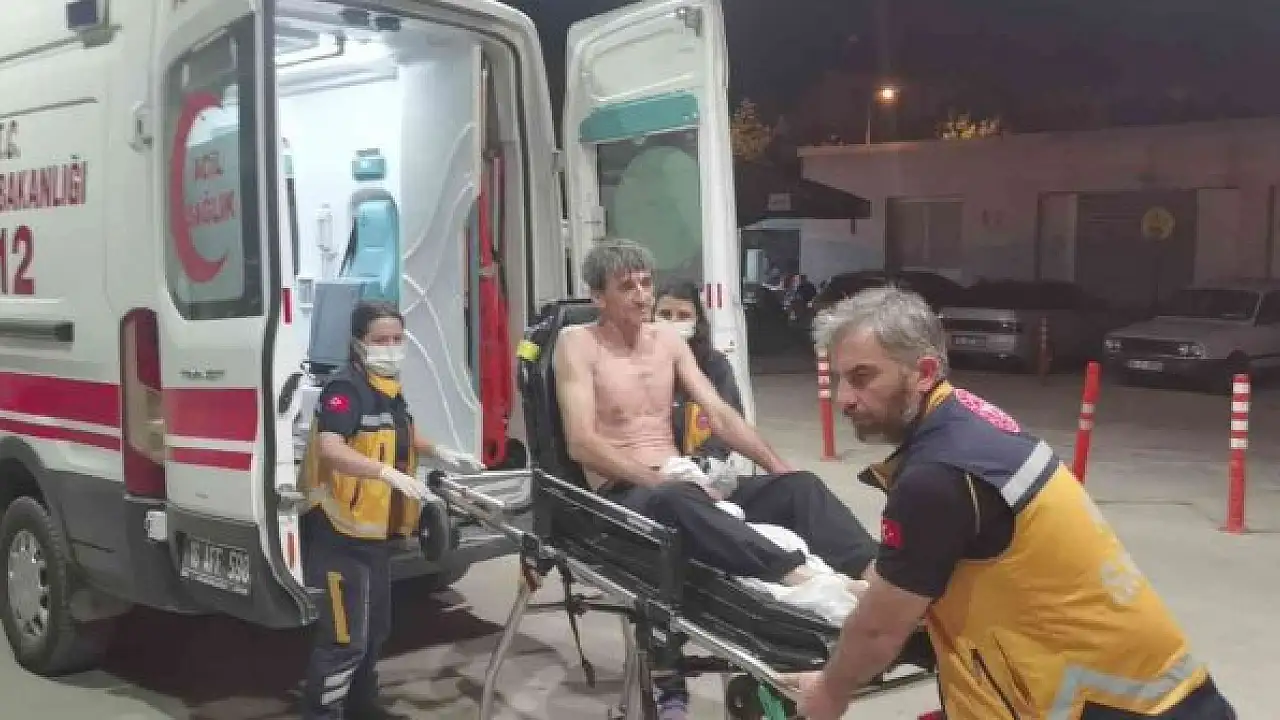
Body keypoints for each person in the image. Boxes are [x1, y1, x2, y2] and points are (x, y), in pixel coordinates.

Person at [785, 285, 1236, 720]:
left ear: (923, 373)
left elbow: (880, 630)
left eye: (862, 377)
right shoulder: (970, 418)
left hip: (1107, 706)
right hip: (1158, 692)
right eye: (838, 378)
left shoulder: (938, 475)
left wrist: (829, 692)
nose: (844, 399)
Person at [553, 238, 878, 602]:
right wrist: (661, 481)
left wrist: (777, 469)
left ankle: (878, 576)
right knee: (676, 498)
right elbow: (582, 443)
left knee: (800, 486)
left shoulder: (667, 341)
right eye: (627, 287)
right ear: (599, 297)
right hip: (627, 493)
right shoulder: (577, 343)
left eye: (646, 283)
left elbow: (720, 414)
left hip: (685, 481)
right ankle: (798, 576)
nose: (642, 296)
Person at [297, 300, 485, 720]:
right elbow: (331, 449)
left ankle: (361, 707)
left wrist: (442, 452)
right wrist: (383, 473)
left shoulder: (388, 385)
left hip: (373, 533)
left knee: (375, 629)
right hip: (338, 531)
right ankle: (322, 713)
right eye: (380, 339)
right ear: (358, 343)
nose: (391, 347)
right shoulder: (344, 389)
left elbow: (402, 433)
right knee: (345, 638)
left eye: (397, 339)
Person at [654, 280, 742, 461]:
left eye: (683, 316)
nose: (673, 322)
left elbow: (731, 422)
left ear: (697, 322)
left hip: (700, 465)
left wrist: (699, 461)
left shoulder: (714, 364)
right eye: (665, 314)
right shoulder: (635, 360)